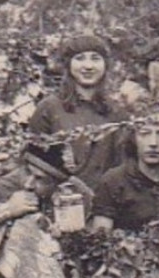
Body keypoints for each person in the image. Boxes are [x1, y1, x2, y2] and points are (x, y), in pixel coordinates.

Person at [27, 33, 130, 192]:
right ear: (68, 65)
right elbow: (31, 163)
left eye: (95, 58)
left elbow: (123, 167)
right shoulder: (49, 107)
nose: (88, 66)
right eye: (80, 58)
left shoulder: (118, 113)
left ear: (105, 65)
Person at [89, 116, 159, 233]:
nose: (153, 143)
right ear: (133, 139)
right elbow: (101, 237)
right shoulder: (113, 181)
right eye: (144, 134)